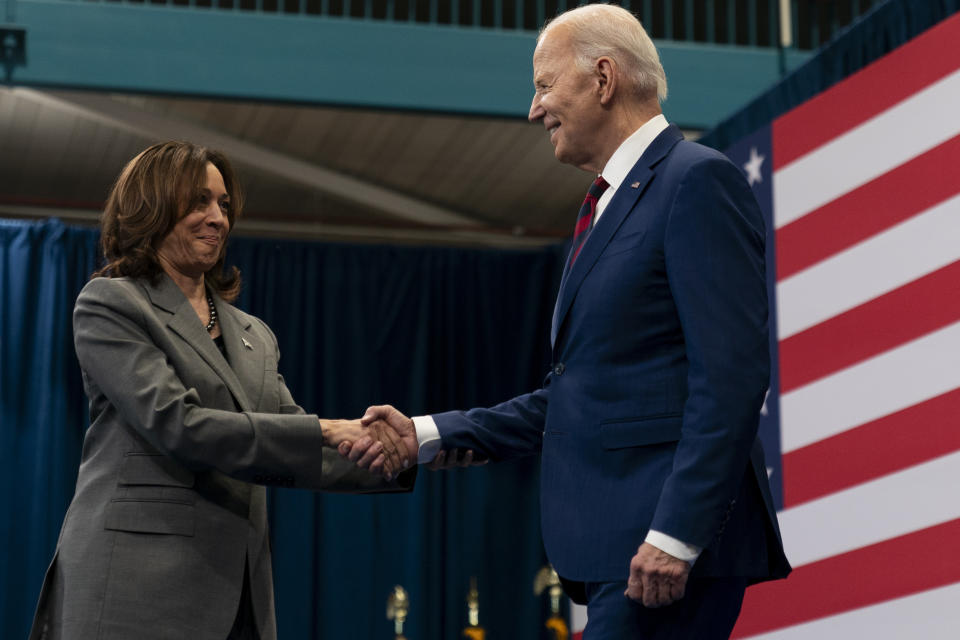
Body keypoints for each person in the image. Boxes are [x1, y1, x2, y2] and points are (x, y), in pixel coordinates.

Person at [348, 5, 791, 638]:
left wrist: (678, 534)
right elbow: (579, 395)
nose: (534, 109)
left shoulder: (696, 182)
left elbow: (732, 377)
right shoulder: (608, 205)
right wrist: (425, 433)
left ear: (603, 78)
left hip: (663, 551)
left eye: (544, 84)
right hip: (620, 551)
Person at [29, 141, 411, 640]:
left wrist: (411, 447)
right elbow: (179, 425)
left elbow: (296, 449)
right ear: (153, 206)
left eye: (224, 205)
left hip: (237, 594)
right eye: (199, 202)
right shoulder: (112, 304)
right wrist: (323, 428)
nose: (218, 219)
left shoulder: (254, 334)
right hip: (133, 587)